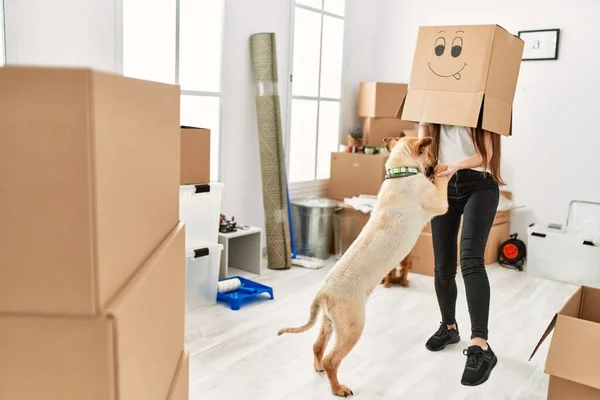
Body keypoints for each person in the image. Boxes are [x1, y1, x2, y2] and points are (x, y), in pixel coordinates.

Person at [419, 122, 502, 387]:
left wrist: (455, 165)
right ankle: (449, 328)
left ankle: (480, 344)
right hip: (444, 185)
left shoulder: (479, 103)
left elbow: (485, 155)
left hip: (479, 184)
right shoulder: (431, 107)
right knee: (443, 264)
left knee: (470, 260)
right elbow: (425, 153)